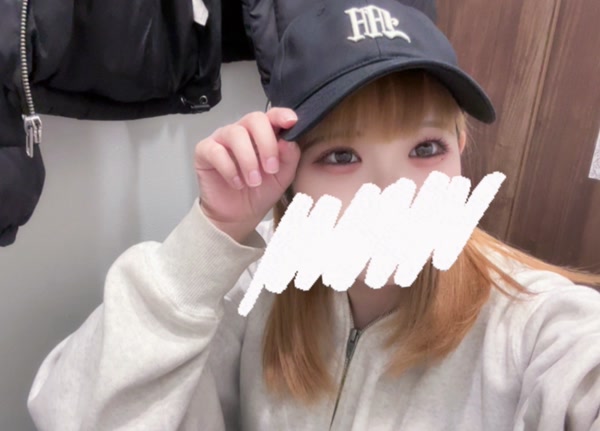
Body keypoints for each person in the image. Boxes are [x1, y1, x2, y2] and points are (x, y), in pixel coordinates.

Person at [27, 1, 600, 430]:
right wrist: (208, 238)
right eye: (341, 156)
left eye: (426, 148)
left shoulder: (534, 329)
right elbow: (73, 415)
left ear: (461, 151)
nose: (394, 194)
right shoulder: (254, 287)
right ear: (291, 178)